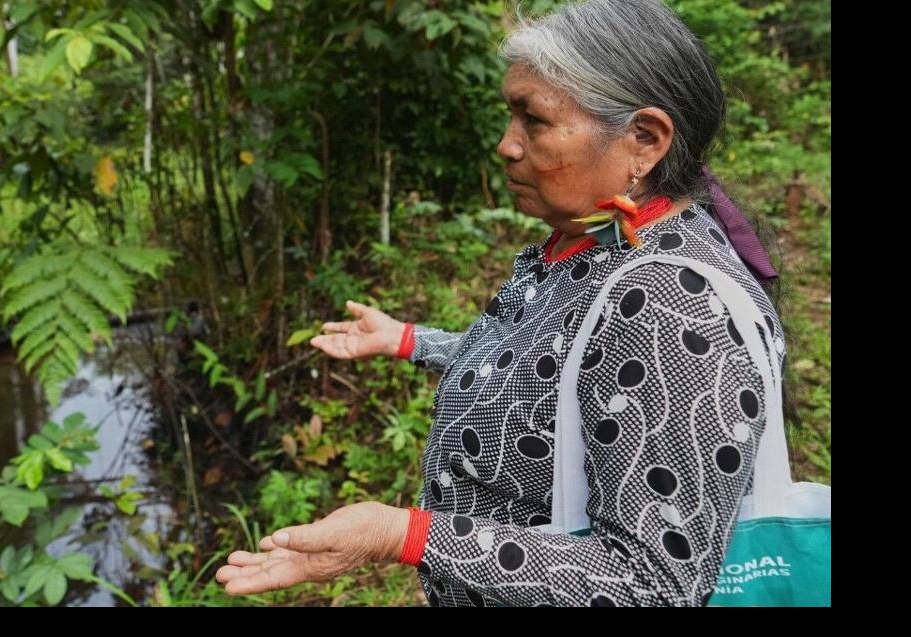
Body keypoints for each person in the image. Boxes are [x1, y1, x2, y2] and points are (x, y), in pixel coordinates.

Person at [215, 0, 783, 606]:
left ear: (643, 140)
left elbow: (652, 587)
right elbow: (555, 370)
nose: (506, 146)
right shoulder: (599, 240)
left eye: (533, 121)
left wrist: (403, 535)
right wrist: (410, 340)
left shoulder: (671, 302)